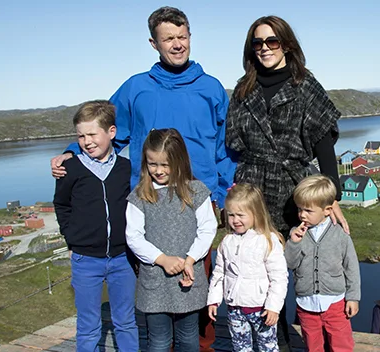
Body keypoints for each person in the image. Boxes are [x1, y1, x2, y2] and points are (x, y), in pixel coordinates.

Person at [50, 7, 232, 350]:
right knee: (154, 297)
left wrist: (222, 195)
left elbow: (224, 148)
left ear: (190, 37)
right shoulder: (136, 89)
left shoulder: (212, 88)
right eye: (168, 39)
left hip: (198, 202)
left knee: (196, 297)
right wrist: (72, 150)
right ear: (154, 43)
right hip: (149, 204)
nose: (177, 45)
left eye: (182, 37)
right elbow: (105, 132)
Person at [225, 15, 348, 350]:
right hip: (252, 191)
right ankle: (273, 343)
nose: (264, 48)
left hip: (296, 191)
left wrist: (330, 197)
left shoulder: (304, 84)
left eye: (272, 41)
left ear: (287, 45)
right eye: (258, 43)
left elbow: (324, 141)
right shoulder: (242, 89)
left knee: (302, 271)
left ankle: (317, 340)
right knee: (259, 271)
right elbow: (233, 145)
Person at [53, 100, 138, 351]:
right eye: (80, 136)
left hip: (123, 258)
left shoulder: (126, 168)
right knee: (88, 324)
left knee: (125, 320)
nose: (87, 141)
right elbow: (62, 205)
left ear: (111, 132)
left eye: (92, 134)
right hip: (85, 260)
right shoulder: (69, 168)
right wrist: (71, 237)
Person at [125, 128, 217, 351]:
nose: (158, 170)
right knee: (158, 340)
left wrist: (190, 258)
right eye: (152, 164)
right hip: (154, 280)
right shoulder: (139, 196)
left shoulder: (196, 191)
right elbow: (133, 236)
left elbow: (207, 228)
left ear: (179, 160)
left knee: (188, 338)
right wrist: (162, 259)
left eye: (165, 164)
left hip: (188, 278)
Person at [207, 183, 288, 352]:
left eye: (240, 215)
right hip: (235, 308)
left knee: (268, 346)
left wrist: (273, 306)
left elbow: (279, 277)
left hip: (261, 308)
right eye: (231, 215)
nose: (235, 220)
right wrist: (214, 299)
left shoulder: (268, 240)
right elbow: (219, 273)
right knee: (240, 347)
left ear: (256, 213)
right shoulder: (227, 242)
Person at [284, 175, 360, 352]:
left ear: (327, 210)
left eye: (308, 211)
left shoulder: (340, 235)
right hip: (306, 304)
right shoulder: (297, 233)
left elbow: (352, 268)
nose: (302, 215)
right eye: (300, 209)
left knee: (341, 345)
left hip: (335, 304)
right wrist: (293, 243)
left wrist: (353, 297)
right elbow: (290, 264)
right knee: (313, 346)